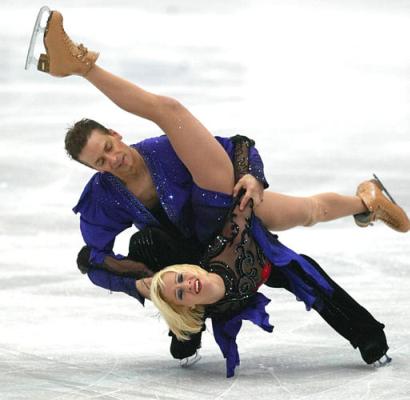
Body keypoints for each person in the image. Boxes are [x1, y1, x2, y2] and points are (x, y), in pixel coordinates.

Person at [27, 7, 409, 370]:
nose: (112, 161)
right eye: (100, 162)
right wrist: (138, 283)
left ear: (116, 134)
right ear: (94, 171)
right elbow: (94, 259)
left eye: (109, 148)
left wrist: (251, 176)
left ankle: (366, 201)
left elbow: (237, 145)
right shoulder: (103, 199)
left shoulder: (163, 150)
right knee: (148, 248)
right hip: (186, 262)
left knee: (308, 212)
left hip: (228, 223)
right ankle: (187, 331)